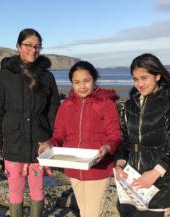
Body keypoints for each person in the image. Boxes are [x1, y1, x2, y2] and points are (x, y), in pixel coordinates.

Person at [0, 28, 60, 217]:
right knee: (15, 192)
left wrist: (53, 140)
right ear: (19, 46)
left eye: (37, 46)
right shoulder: (5, 75)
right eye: (28, 45)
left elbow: (54, 110)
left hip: (40, 144)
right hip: (13, 142)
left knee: (38, 191)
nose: (33, 50)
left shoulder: (47, 76)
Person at [39, 61, 121, 217]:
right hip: (73, 165)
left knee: (91, 213)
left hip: (98, 166)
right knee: (84, 210)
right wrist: (49, 143)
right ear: (72, 83)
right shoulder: (66, 105)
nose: (82, 86)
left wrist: (108, 148)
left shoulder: (106, 104)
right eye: (77, 82)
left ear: (94, 79)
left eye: (86, 81)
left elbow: (115, 135)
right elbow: (59, 135)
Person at [114, 53, 170, 217]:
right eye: (135, 79)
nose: (139, 84)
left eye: (144, 78)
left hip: (158, 185)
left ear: (157, 75)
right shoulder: (129, 106)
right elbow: (125, 142)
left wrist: (156, 172)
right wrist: (119, 164)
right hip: (129, 182)